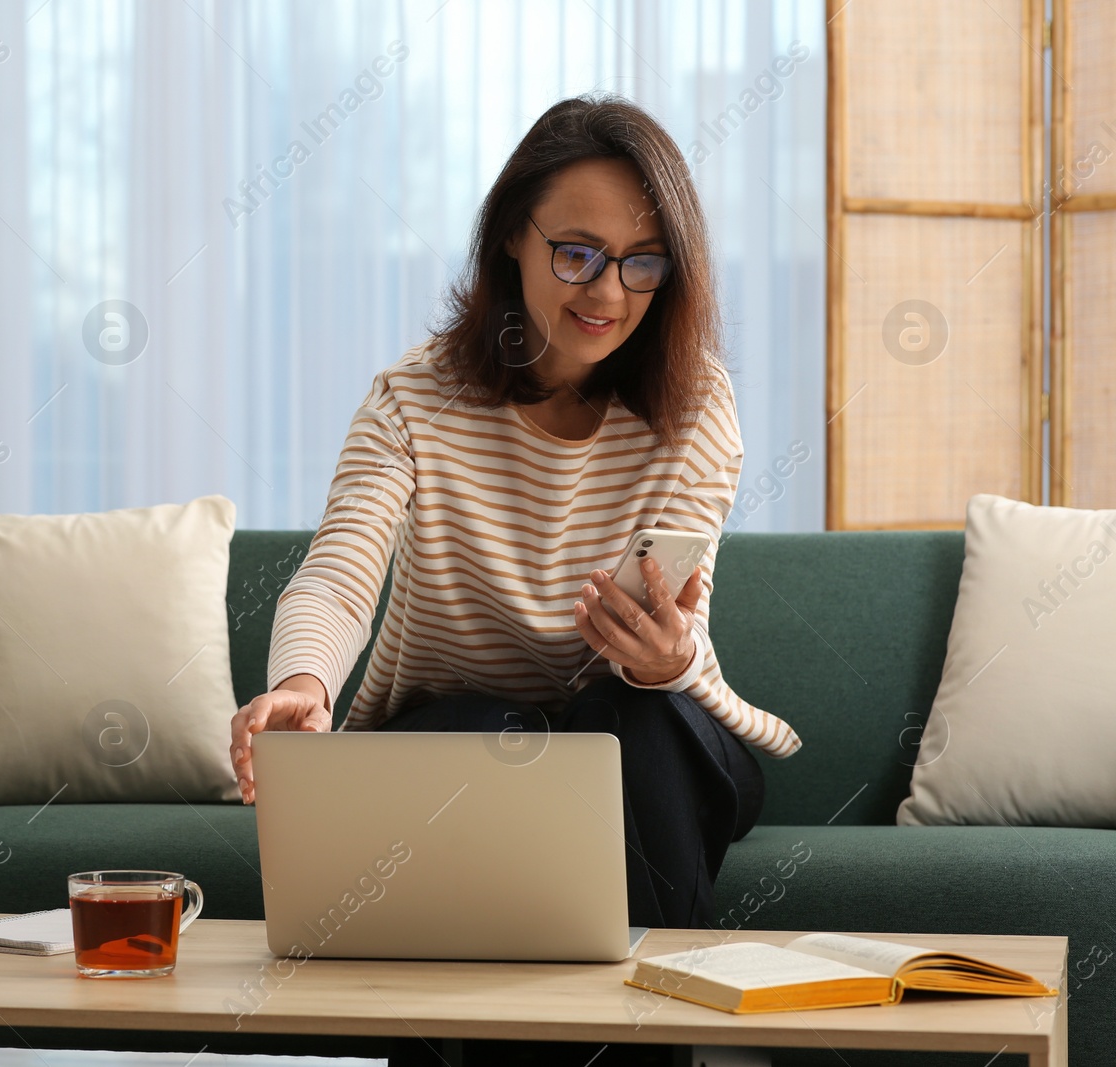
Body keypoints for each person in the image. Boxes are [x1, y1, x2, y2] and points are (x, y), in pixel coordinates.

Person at [227, 92, 803, 1067]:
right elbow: (341, 565)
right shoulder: (414, 399)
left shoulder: (696, 404)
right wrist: (302, 683)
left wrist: (666, 663)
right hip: (462, 736)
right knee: (496, 751)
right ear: (508, 239)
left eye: (641, 261)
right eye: (575, 251)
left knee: (639, 729)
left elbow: (680, 617)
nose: (607, 292)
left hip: (654, 730)